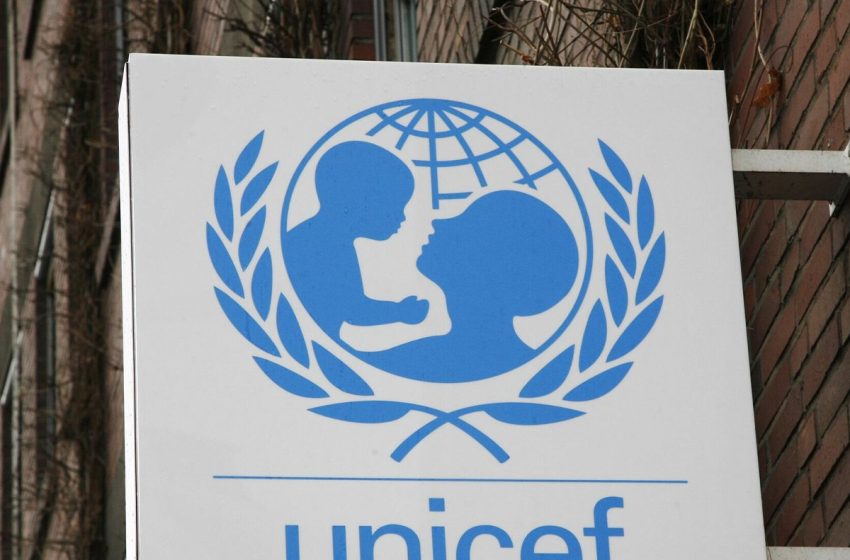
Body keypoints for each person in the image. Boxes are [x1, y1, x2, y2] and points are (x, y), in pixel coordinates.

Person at [355, 189, 580, 383]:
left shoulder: (408, 363)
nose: (438, 222)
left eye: (465, 220)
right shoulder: (534, 370)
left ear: (490, 262)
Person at [284, 141, 428, 338]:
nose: (402, 217)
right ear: (355, 200)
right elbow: (353, 310)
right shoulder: (324, 245)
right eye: (394, 206)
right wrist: (399, 312)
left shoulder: (326, 239)